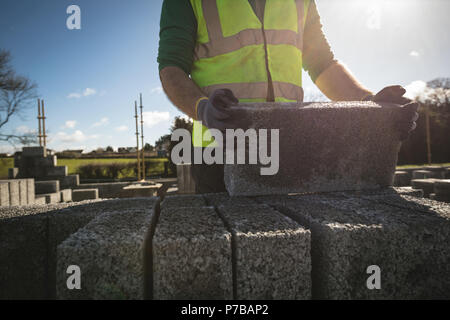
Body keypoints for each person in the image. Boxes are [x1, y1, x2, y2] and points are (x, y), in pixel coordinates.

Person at [158, 0, 419, 193]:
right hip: (219, 149)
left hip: (287, 145)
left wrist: (369, 103)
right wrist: (203, 109)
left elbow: (322, 64)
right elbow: (171, 68)